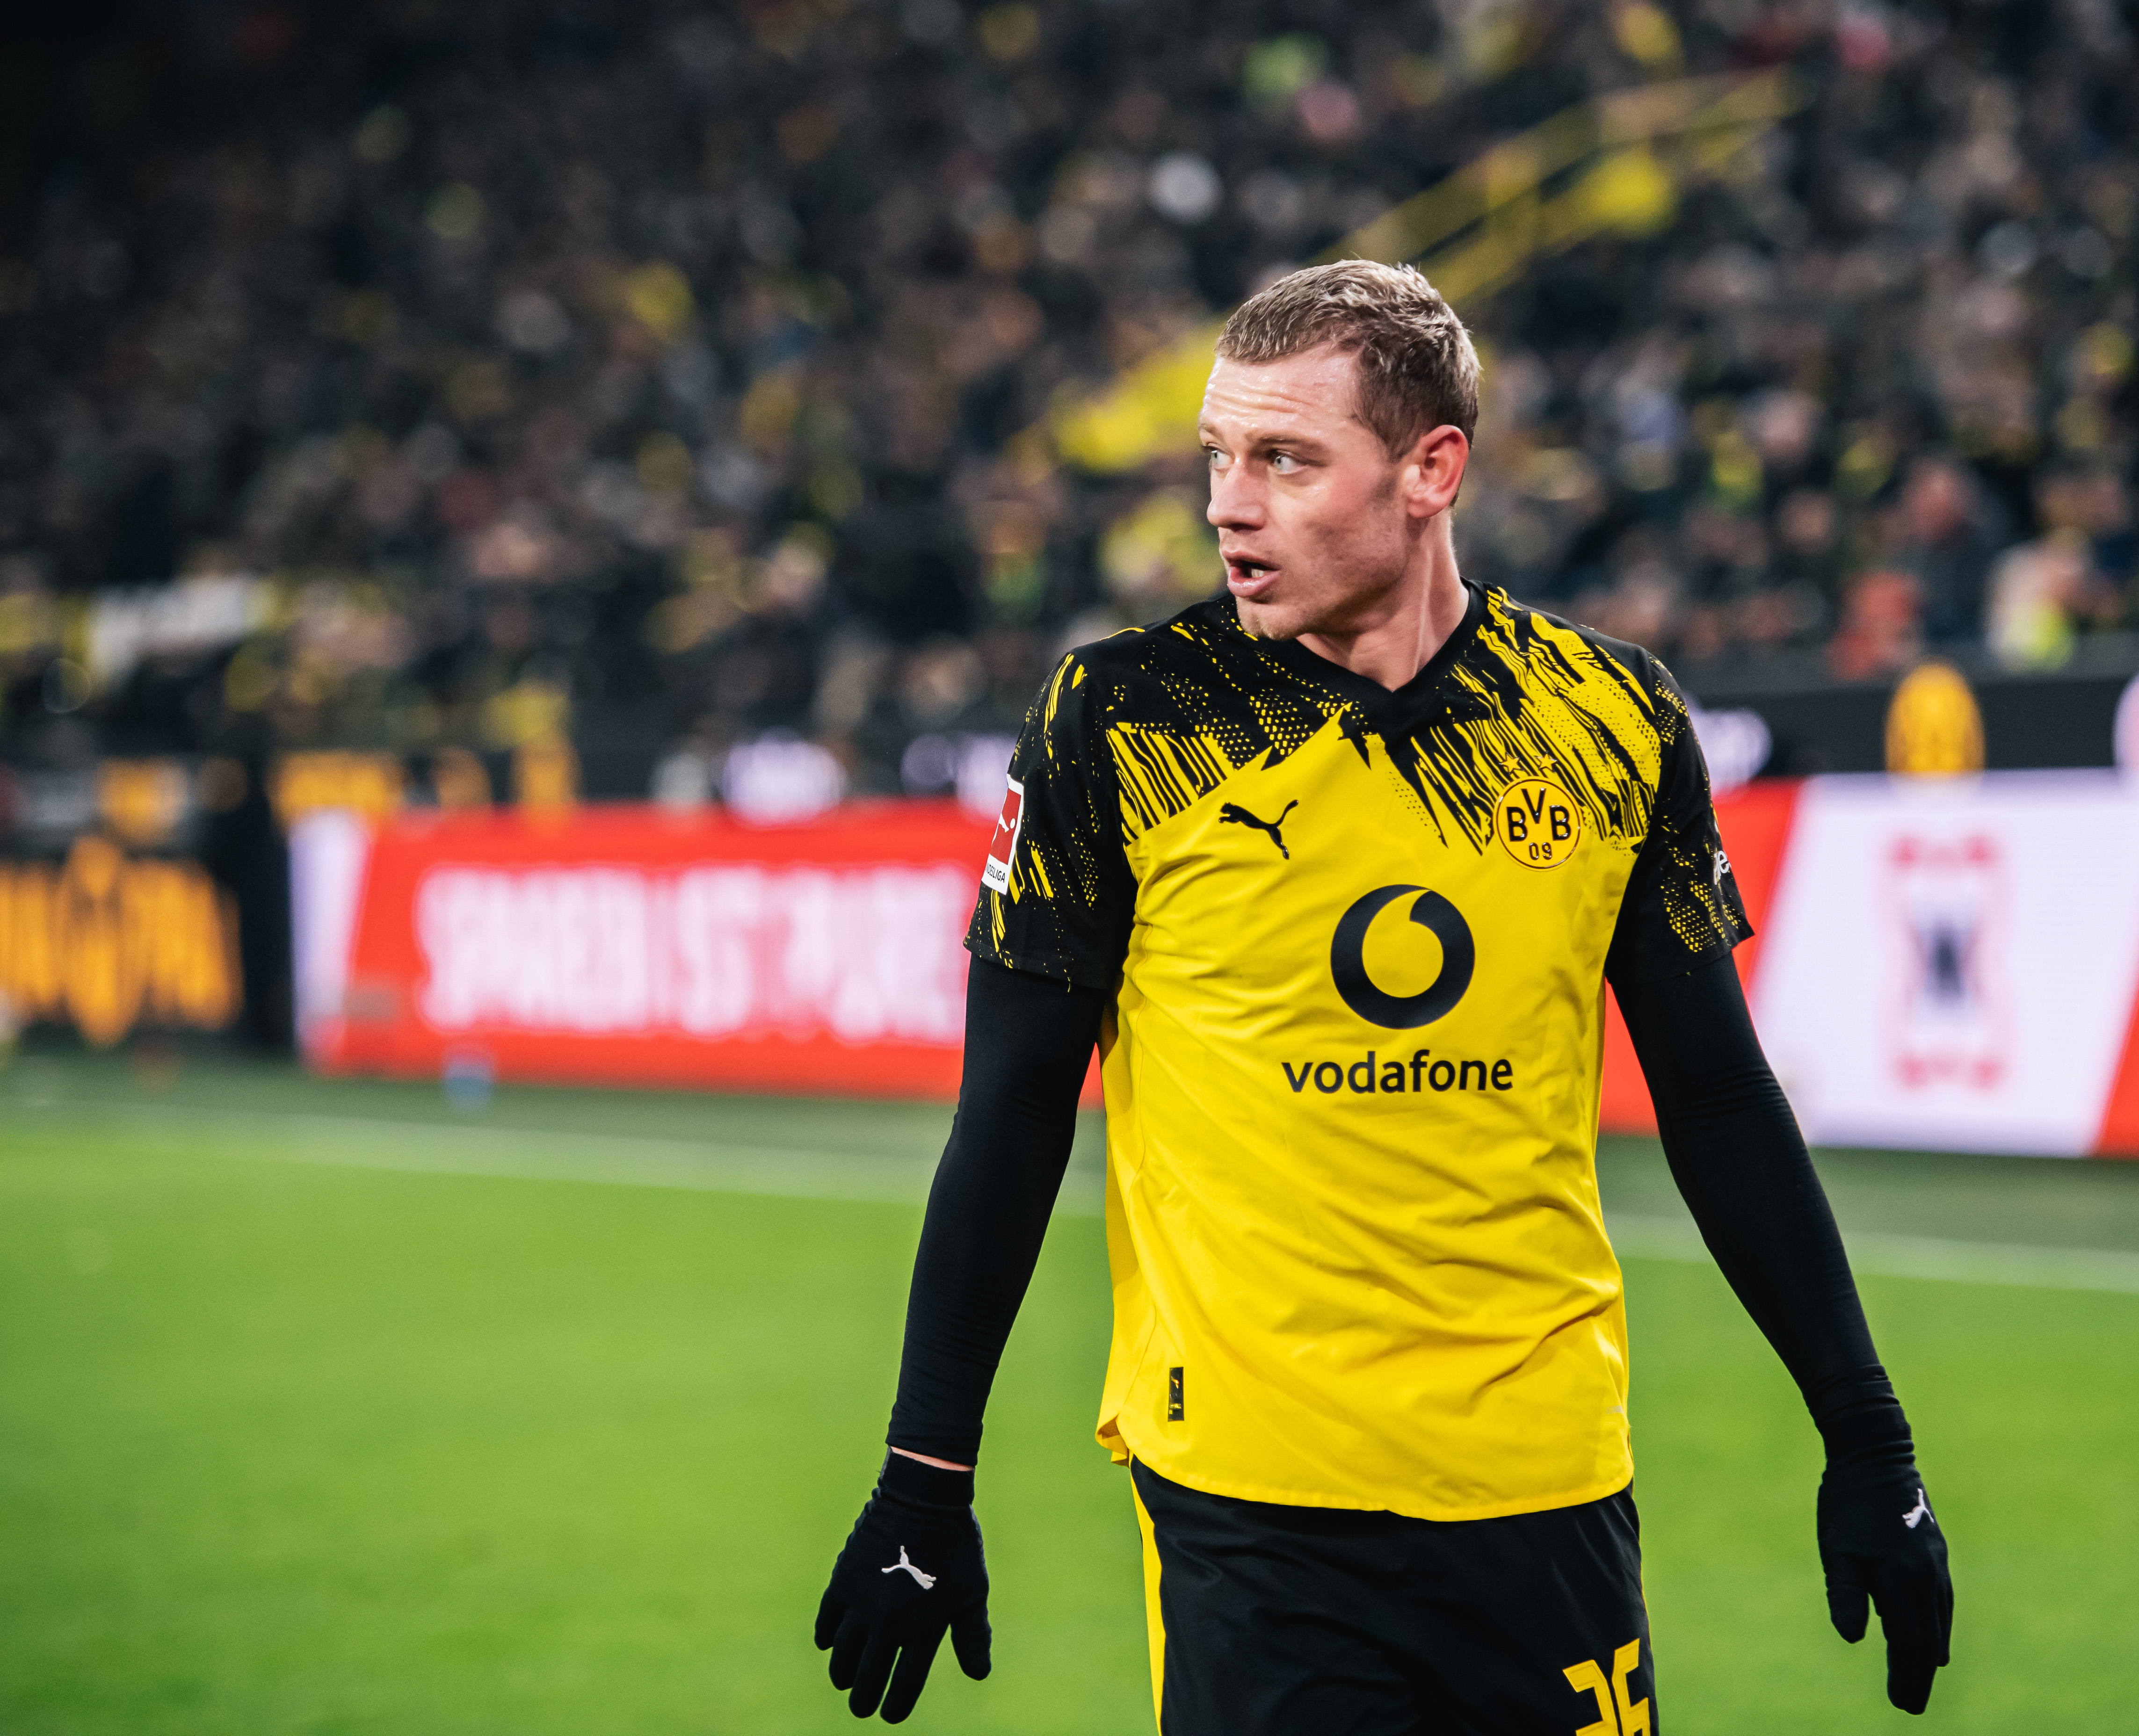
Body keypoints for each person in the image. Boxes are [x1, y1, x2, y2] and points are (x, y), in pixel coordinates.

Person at [812, 261, 1954, 1731]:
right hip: (1253, 1507)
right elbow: (1015, 1109)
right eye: (1218, 457)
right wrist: (926, 1477)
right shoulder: (1125, 721)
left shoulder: (1610, 719)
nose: (1229, 506)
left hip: (1547, 1481)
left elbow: (1720, 1096)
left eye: (1286, 461)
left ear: (1432, 471)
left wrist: (1868, 1439)